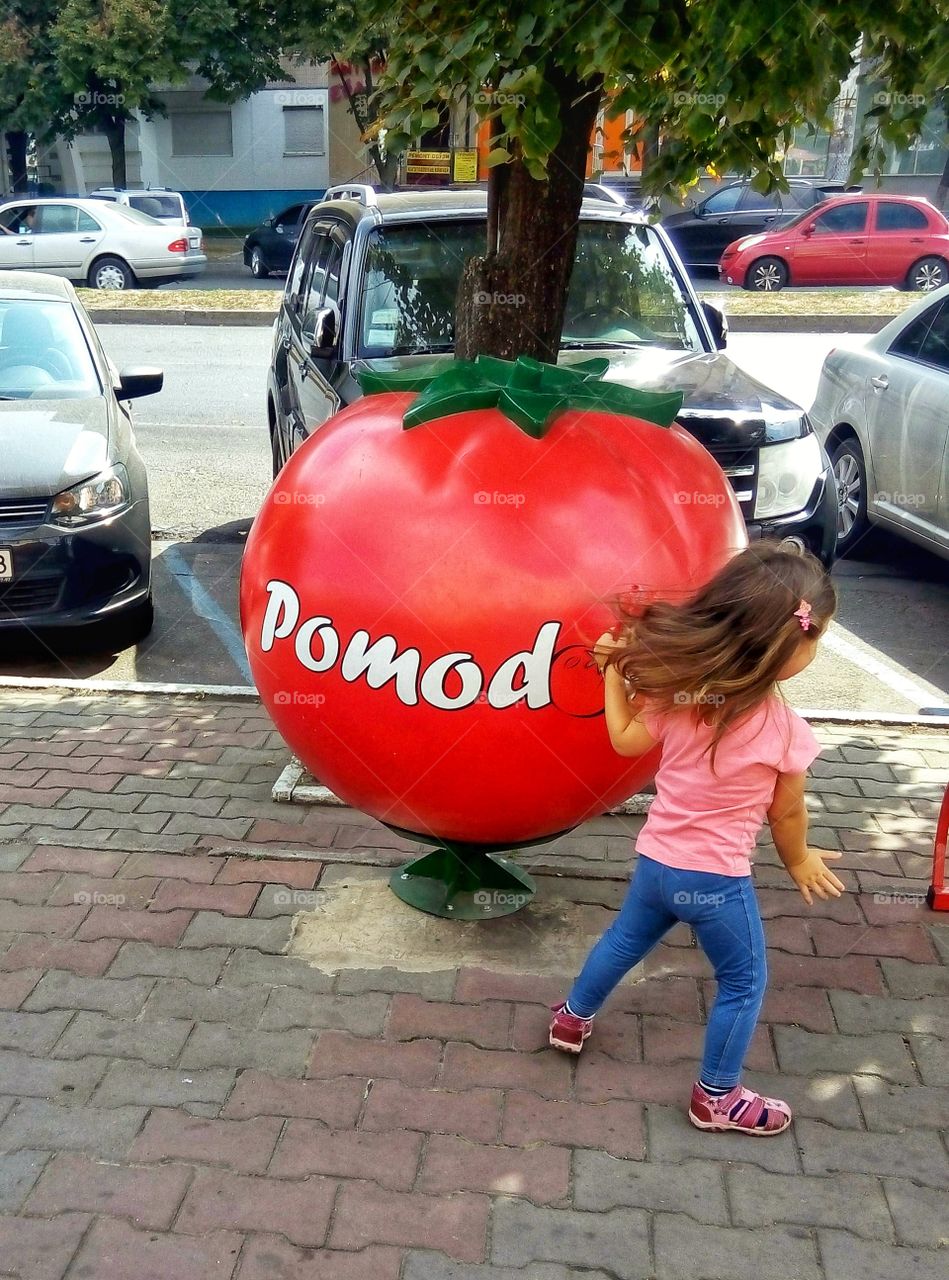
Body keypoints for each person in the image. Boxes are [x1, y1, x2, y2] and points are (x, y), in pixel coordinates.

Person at [549, 542, 845, 1136]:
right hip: (714, 880)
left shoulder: (680, 695)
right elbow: (785, 817)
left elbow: (626, 741)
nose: (816, 648)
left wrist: (612, 674)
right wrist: (800, 861)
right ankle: (717, 1096)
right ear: (786, 646)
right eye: (816, 637)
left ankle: (570, 1019)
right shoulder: (784, 731)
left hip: (657, 863)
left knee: (624, 940)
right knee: (744, 981)